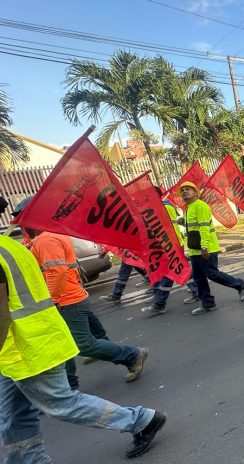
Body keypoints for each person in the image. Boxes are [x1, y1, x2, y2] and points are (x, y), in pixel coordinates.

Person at [0, 220, 166, 461]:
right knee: (14, 414)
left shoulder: (36, 242)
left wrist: (56, 300)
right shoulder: (12, 246)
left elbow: (3, 313)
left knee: (62, 400)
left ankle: (141, 419)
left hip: (28, 345)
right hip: (22, 344)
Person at [12, 198, 148, 390]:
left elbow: (56, 272)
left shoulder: (46, 240)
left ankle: (132, 355)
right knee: (66, 343)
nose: (20, 223)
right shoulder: (44, 238)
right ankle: (69, 385)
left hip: (67, 301)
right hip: (72, 297)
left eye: (22, 218)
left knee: (82, 344)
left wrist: (52, 300)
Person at [180, 181, 244, 316]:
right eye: (182, 190)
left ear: (196, 193)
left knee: (212, 274)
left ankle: (239, 283)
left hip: (206, 249)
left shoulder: (201, 206)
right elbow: (194, 226)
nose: (184, 192)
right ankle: (208, 304)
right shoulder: (189, 208)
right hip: (194, 250)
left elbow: (204, 228)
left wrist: (204, 247)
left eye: (188, 189)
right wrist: (181, 221)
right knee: (199, 278)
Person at [141, 187, 199, 315]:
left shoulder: (164, 207)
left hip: (172, 243)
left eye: (147, 195)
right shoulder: (161, 206)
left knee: (171, 272)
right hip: (168, 243)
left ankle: (159, 303)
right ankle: (196, 291)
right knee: (178, 269)